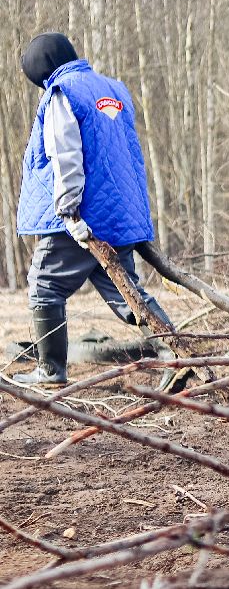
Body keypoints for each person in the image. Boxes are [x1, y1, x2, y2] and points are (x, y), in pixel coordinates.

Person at [9, 33, 174, 388]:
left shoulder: (62, 94)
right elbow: (126, 152)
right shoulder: (113, 90)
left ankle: (51, 370)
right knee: (126, 293)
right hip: (118, 215)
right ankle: (176, 355)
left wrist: (69, 214)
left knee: (44, 286)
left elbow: (65, 157)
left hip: (82, 218)